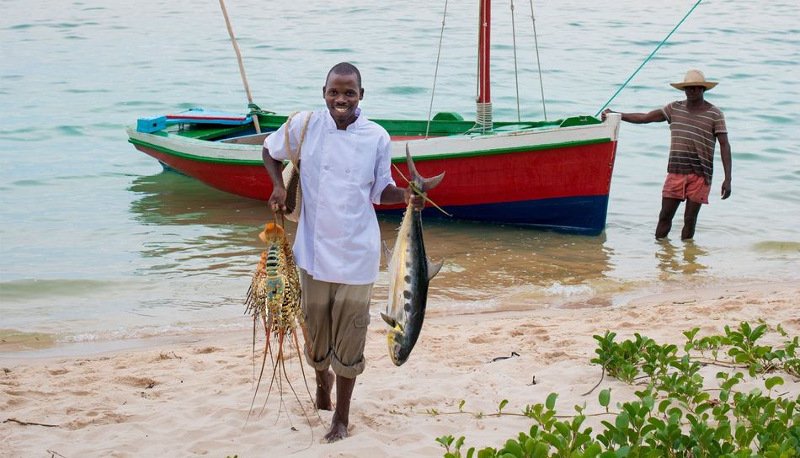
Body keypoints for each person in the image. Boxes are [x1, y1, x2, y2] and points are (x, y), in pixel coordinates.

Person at [261, 62, 424, 442]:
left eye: (349, 93)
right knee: (316, 336)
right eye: (334, 91)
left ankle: (342, 418)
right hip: (312, 254)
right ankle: (323, 385)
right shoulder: (305, 126)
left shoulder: (377, 137)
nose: (341, 99)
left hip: (357, 256)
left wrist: (407, 195)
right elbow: (269, 151)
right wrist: (278, 187)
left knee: (351, 338)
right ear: (324, 92)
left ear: (361, 96)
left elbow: (380, 190)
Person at [602, 69, 732, 240]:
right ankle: (660, 254)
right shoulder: (674, 108)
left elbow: (724, 145)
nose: (691, 91)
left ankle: (688, 255)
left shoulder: (715, 114)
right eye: (688, 88)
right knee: (664, 216)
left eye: (695, 88)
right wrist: (617, 115)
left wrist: (728, 179)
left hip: (701, 175)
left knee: (690, 220)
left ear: (703, 89)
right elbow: (645, 118)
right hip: (676, 172)